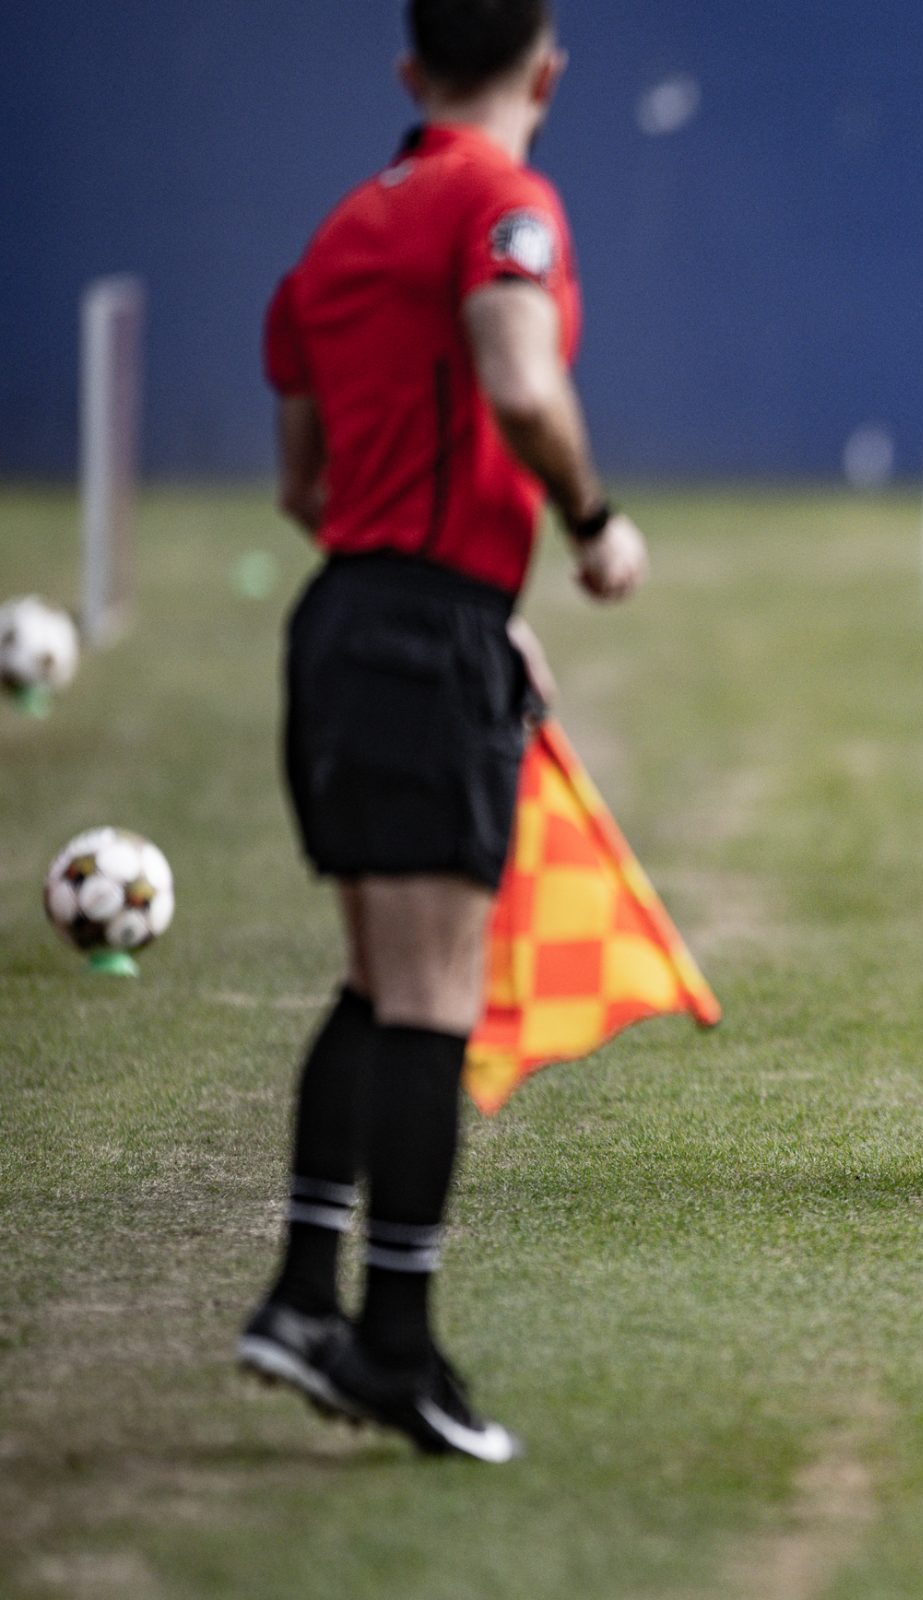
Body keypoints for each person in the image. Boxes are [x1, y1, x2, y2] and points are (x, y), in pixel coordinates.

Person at [235, 0, 647, 1459]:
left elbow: (307, 485)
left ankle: (300, 1294)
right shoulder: (502, 203)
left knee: (374, 978)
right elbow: (521, 378)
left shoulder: (339, 234)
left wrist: (464, 589)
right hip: (418, 643)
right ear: (547, 70)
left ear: (409, 72)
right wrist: (587, 527)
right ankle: (394, 1341)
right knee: (426, 1000)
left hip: (348, 622)